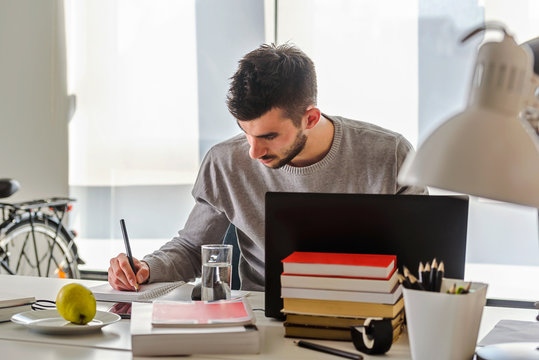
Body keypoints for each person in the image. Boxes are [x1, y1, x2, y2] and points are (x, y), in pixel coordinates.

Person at [108, 43, 427, 292]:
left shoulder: (390, 155)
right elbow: (193, 249)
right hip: (265, 317)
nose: (252, 151)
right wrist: (146, 267)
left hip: (371, 313)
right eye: (245, 131)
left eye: (269, 136)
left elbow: (424, 261)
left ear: (310, 119)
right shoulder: (225, 161)